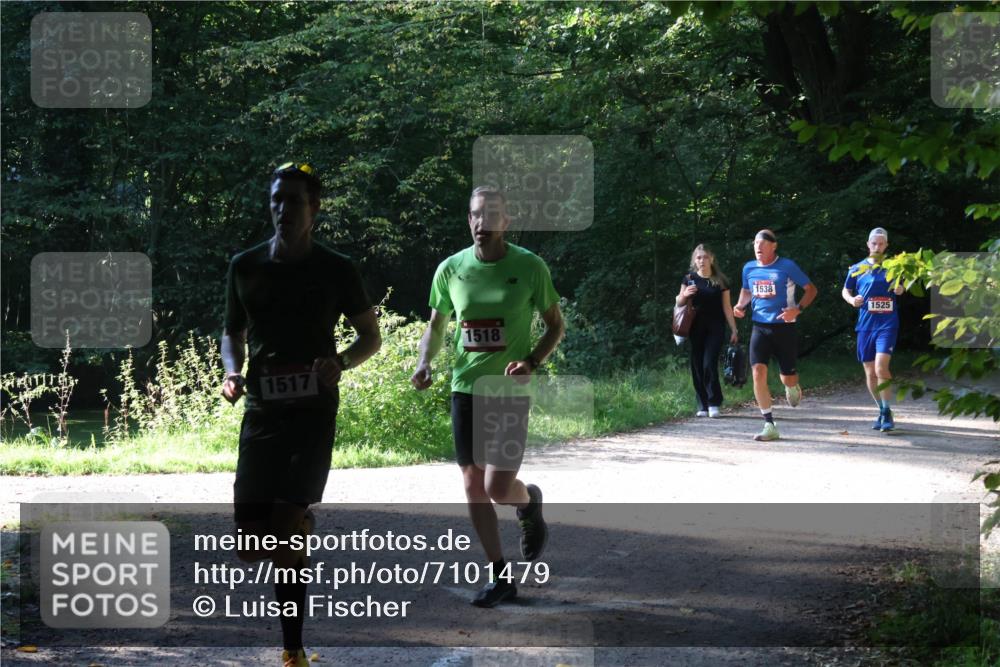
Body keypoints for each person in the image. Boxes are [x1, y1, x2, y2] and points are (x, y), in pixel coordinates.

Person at [220, 162, 381, 667]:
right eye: (276, 199)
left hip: (312, 414)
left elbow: (370, 337)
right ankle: (299, 525)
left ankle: (293, 651)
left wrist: (340, 363)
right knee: (250, 547)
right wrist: (231, 371)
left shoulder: (336, 268)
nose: (282, 209)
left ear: (315, 208)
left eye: (293, 201)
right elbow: (232, 332)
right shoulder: (244, 266)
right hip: (263, 411)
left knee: (285, 524)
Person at [411, 186, 565, 608]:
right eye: (475, 216)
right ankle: (500, 576)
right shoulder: (451, 269)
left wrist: (532, 361)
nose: (482, 224)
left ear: (505, 222)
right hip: (465, 389)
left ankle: (529, 501)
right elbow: (437, 326)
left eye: (490, 216)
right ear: (469, 220)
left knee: (499, 487)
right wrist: (425, 361)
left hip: (509, 389)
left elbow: (556, 326)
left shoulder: (529, 267)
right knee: (473, 485)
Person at [733, 229, 818, 441]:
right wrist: (740, 305)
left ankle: (792, 385)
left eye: (762, 244)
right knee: (757, 372)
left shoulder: (786, 266)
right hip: (759, 327)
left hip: (784, 326)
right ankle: (769, 423)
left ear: (773, 246)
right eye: (755, 244)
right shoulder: (749, 268)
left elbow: (811, 289)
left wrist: (797, 309)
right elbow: (746, 290)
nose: (758, 248)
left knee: (787, 377)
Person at [841, 227, 904, 432]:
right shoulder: (857, 268)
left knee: (880, 367)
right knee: (869, 371)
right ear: (868, 245)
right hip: (866, 325)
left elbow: (902, 287)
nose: (877, 247)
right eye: (874, 243)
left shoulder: (893, 267)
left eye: (881, 243)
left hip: (887, 324)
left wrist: (899, 289)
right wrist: (852, 300)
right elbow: (846, 289)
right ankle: (882, 410)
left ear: (886, 246)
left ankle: (886, 412)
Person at [675, 244, 739, 418]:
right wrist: (685, 294)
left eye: (704, 257)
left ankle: (714, 402)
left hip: (716, 327)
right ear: (694, 261)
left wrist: (734, 328)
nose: (701, 260)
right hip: (695, 327)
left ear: (712, 258)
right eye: (698, 257)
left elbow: (727, 306)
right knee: (697, 364)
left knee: (708, 363)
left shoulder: (720, 280)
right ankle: (702, 404)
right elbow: (679, 303)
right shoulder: (689, 278)